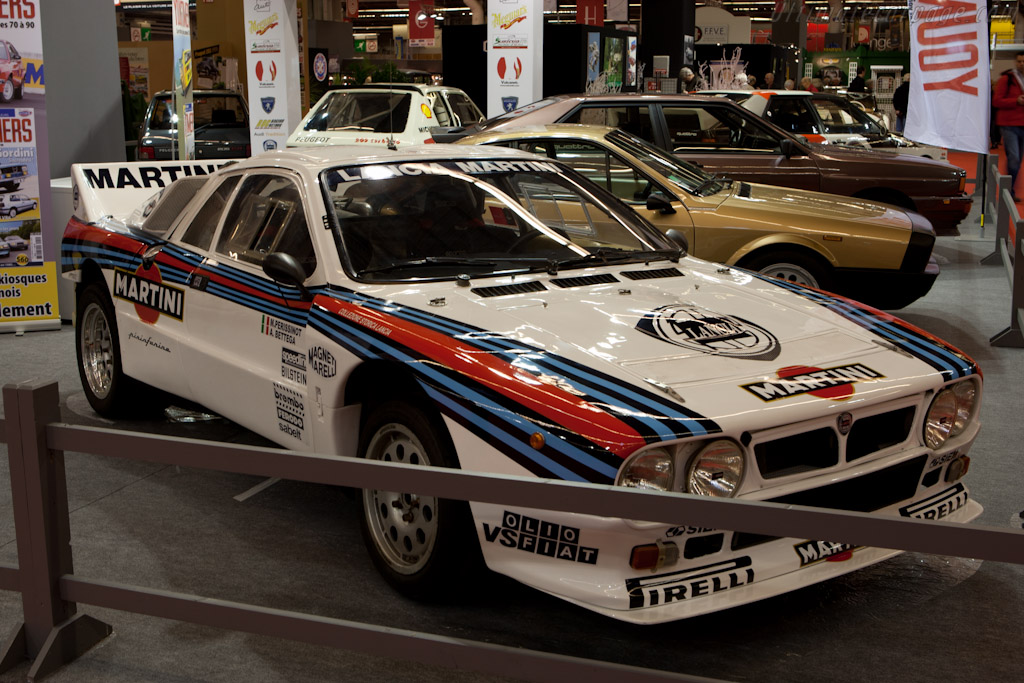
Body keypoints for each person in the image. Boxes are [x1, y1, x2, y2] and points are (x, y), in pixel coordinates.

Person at [993, 53, 1024, 197]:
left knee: (1017, 160)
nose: (1021, 64)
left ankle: (1009, 190)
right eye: (1019, 61)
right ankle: (1008, 192)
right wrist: (1015, 101)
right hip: (1008, 124)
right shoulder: (1007, 79)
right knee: (1014, 158)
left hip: (1021, 124)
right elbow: (997, 101)